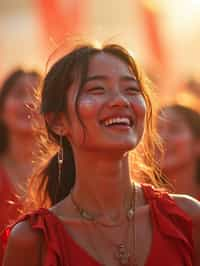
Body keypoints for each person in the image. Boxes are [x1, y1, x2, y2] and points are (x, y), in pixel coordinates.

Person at [2, 43, 200, 266]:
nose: (120, 101)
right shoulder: (34, 241)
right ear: (58, 121)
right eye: (97, 90)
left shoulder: (186, 218)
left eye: (131, 90)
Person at [0, 68, 41, 234]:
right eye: (19, 94)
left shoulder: (67, 172)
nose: (29, 102)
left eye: (37, 95)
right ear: (2, 110)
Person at [157, 104, 200, 199]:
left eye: (174, 130)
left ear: (197, 143)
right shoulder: (137, 200)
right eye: (157, 129)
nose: (161, 138)